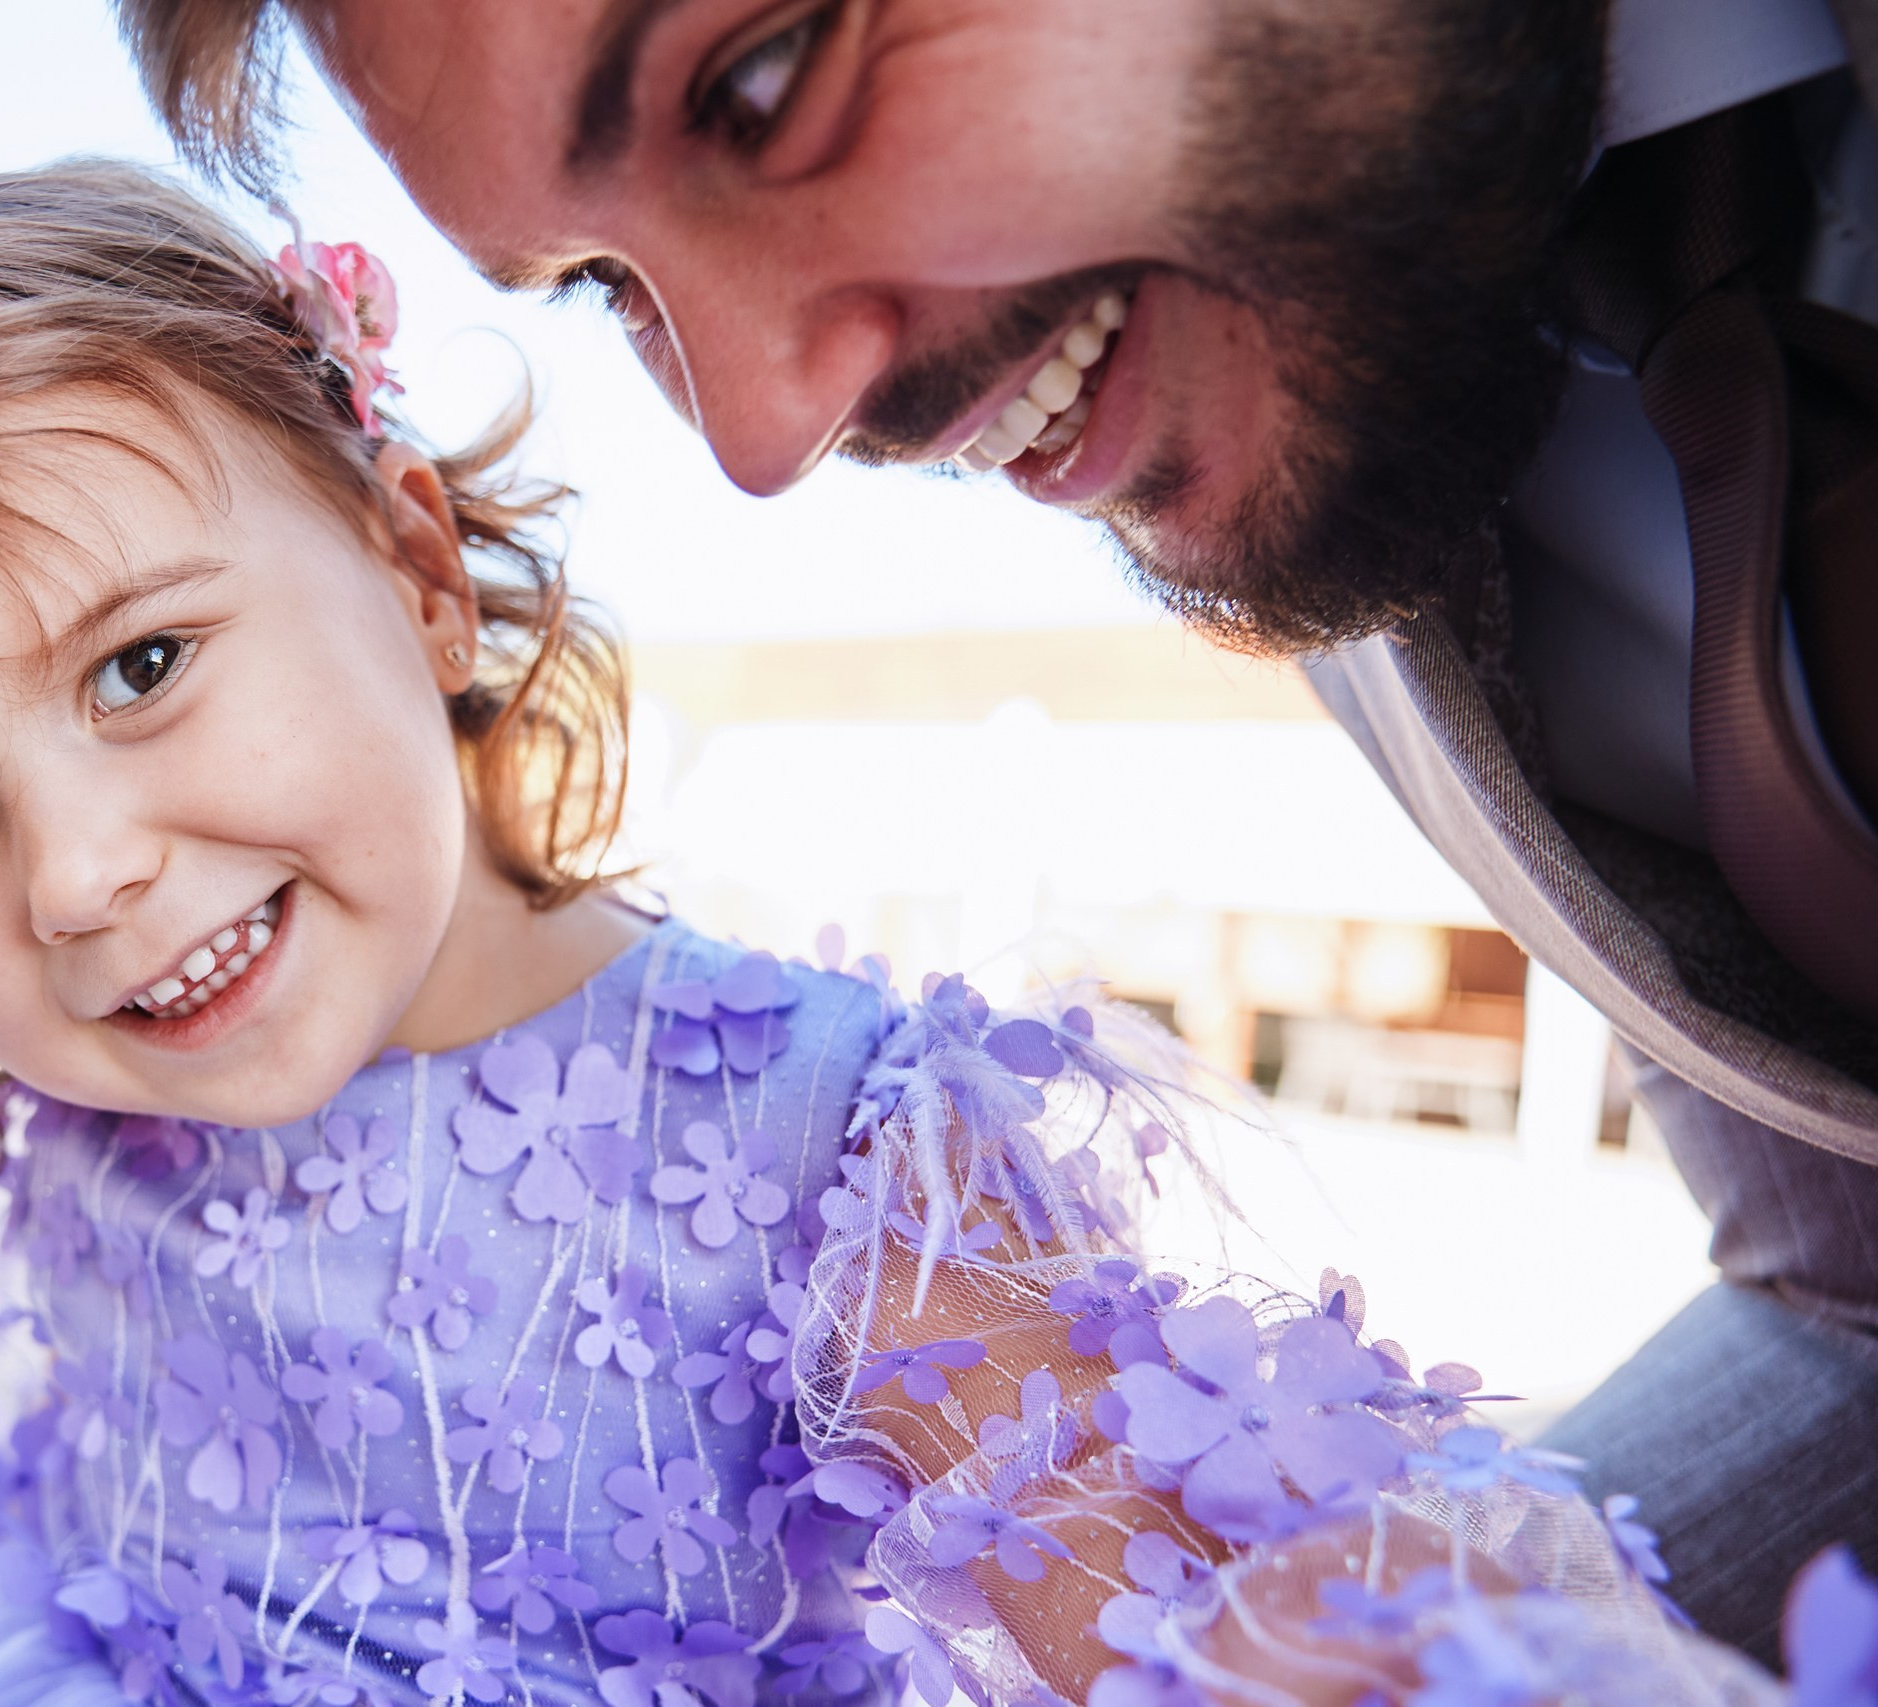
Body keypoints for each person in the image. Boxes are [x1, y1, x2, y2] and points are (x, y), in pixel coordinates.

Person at [0, 161, 1870, 1707]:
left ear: (411, 568)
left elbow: (1195, 1631)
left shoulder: (815, 1152)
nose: (79, 870)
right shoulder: (68, 1107)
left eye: (137, 666)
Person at [112, 0, 1878, 1662]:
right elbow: (1842, 1290)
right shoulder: (1325, 409)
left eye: (764, 74)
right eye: (605, 285)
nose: (763, 429)